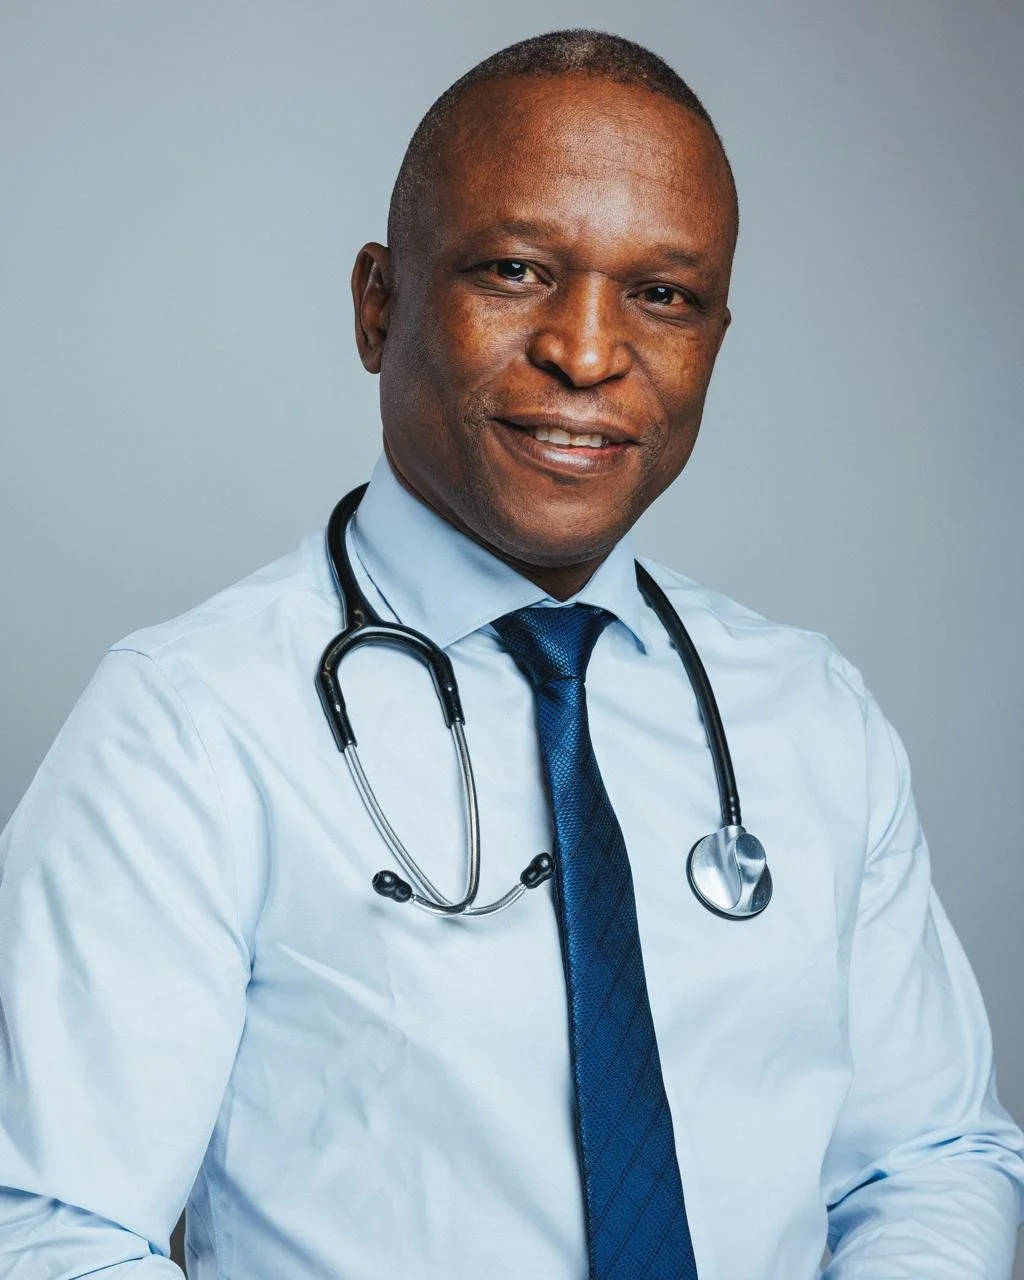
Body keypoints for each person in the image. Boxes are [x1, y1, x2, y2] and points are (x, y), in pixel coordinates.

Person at [0, 27, 1021, 1280]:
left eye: (662, 294)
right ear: (378, 303)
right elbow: (49, 1225)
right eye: (518, 269)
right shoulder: (189, 723)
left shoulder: (809, 713)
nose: (587, 354)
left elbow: (924, 1156)